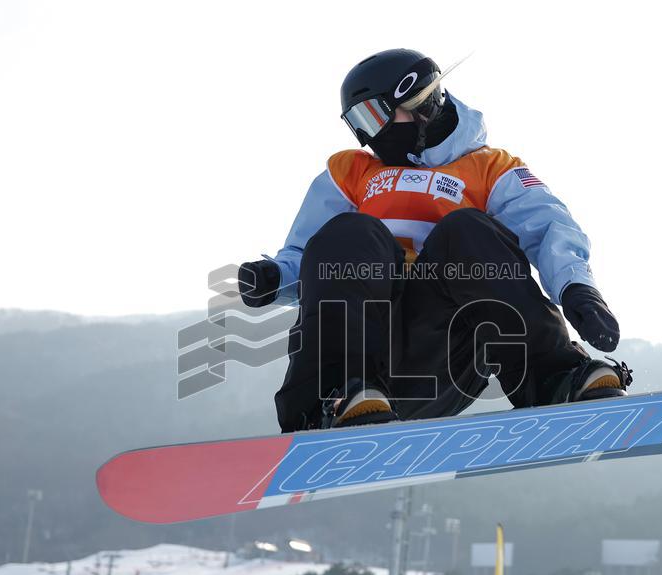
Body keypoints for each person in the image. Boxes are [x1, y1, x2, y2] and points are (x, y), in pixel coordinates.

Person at [239, 49, 631, 433]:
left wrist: (578, 288)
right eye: (358, 121)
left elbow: (548, 225)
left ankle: (555, 376)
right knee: (352, 233)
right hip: (367, 341)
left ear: (419, 103)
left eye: (373, 115)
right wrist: (275, 276)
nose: (367, 133)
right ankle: (335, 397)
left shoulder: (489, 168)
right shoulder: (350, 171)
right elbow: (310, 254)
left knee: (466, 231)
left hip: (448, 346)